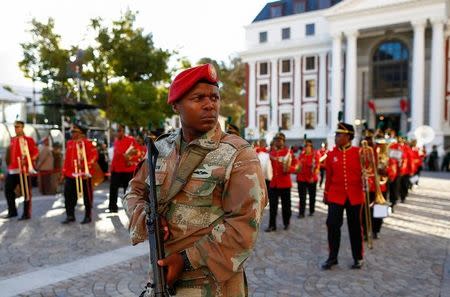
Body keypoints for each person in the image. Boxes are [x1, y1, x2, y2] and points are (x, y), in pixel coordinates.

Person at [123, 64, 267, 296]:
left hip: (213, 285)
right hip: (162, 277)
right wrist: (146, 217)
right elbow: (134, 191)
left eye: (214, 97)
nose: (210, 105)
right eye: (198, 98)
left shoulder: (238, 154)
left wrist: (185, 260)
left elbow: (244, 225)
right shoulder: (160, 149)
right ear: (175, 105)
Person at [322, 122, 365, 270]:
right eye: (336, 134)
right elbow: (328, 177)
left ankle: (358, 257)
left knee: (354, 227)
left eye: (339, 134)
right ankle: (332, 257)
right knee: (332, 225)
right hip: (335, 195)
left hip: (355, 195)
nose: (336, 137)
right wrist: (326, 194)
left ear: (348, 136)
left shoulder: (359, 152)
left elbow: (369, 172)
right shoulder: (331, 154)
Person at [61, 122, 98, 224]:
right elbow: (67, 160)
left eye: (74, 131)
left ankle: (88, 216)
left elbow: (94, 156)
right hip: (70, 174)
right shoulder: (69, 143)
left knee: (87, 197)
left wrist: (87, 166)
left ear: (81, 133)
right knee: (68, 196)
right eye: (72, 131)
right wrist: (63, 173)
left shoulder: (88, 143)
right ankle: (70, 215)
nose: (72, 133)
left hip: (84, 174)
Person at [4, 120, 39, 220]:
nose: (16, 128)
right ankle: (12, 211)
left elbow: (35, 153)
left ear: (22, 127)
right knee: (8, 189)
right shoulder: (13, 140)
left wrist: (28, 162)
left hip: (24, 170)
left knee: (26, 192)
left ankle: (26, 213)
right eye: (15, 127)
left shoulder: (29, 140)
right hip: (13, 169)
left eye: (18, 126)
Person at [265, 132, 296, 232]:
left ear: (283, 141)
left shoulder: (288, 152)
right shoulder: (271, 153)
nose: (277, 142)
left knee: (286, 206)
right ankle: (272, 225)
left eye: (279, 140)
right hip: (274, 184)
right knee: (272, 207)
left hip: (285, 184)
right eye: (276, 140)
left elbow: (297, 166)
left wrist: (289, 168)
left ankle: (286, 222)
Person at [108, 125, 139, 213]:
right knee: (113, 189)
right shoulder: (116, 141)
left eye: (119, 131)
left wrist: (131, 160)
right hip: (116, 169)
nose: (118, 133)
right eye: (117, 131)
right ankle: (112, 207)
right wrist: (111, 169)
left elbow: (137, 151)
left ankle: (128, 207)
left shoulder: (131, 139)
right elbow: (115, 156)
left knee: (128, 190)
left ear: (123, 131)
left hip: (127, 170)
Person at [295, 139, 320, 217]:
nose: (307, 147)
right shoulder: (301, 155)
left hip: (312, 179)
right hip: (301, 179)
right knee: (302, 197)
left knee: (312, 196)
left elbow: (317, 166)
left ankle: (311, 210)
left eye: (309, 146)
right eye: (306, 146)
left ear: (311, 147)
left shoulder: (315, 155)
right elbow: (297, 166)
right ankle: (301, 213)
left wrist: (315, 172)